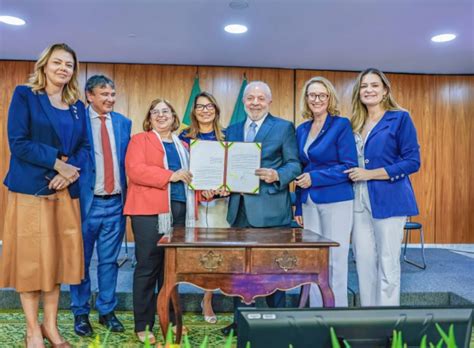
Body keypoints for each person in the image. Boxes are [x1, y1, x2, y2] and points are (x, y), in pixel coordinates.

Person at [0, 43, 89, 348]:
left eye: (69, 65)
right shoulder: (25, 95)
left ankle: (50, 326)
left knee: (57, 263)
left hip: (65, 193)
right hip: (30, 192)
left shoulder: (77, 106)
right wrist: (58, 165)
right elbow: (19, 142)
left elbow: (85, 149)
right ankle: (31, 331)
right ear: (44, 65)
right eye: (58, 62)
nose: (63, 68)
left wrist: (69, 174)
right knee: (31, 264)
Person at [222, 81, 301, 336]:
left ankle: (275, 324)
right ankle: (240, 322)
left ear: (269, 101)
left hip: (271, 210)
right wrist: (222, 184)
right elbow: (226, 167)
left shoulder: (283, 127)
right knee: (239, 270)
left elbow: (294, 165)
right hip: (239, 209)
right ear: (244, 101)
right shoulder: (232, 130)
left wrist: (276, 174)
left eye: (260, 98)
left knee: (273, 268)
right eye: (250, 98)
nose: (255, 102)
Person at [123, 98, 197, 344]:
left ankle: (173, 319)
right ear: (150, 117)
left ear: (174, 117)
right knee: (148, 266)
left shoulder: (184, 146)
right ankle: (143, 324)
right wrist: (170, 175)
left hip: (179, 212)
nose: (161, 115)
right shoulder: (139, 140)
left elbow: (191, 177)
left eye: (166, 111)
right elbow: (135, 170)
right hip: (148, 212)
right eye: (155, 112)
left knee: (172, 269)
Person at [344, 68, 420, 306]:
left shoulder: (400, 118)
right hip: (357, 200)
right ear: (359, 92)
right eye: (364, 86)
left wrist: (370, 174)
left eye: (374, 85)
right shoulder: (354, 123)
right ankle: (369, 317)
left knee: (388, 262)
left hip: (390, 199)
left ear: (385, 90)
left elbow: (412, 162)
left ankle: (388, 320)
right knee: (364, 262)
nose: (369, 90)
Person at [70, 75, 132, 336]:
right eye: (104, 94)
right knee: (80, 262)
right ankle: (81, 313)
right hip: (86, 204)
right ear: (89, 96)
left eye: (112, 94)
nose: (110, 99)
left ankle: (107, 311)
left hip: (115, 204)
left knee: (109, 262)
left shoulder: (123, 123)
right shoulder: (75, 120)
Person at [294, 76, 358, 308]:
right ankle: (315, 312)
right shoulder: (301, 129)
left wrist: (315, 178)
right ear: (306, 99)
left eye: (322, 95)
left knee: (335, 260)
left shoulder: (341, 125)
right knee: (313, 259)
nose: (317, 99)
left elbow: (348, 166)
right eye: (312, 95)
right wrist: (299, 205)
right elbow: (301, 169)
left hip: (336, 199)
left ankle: (336, 312)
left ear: (329, 98)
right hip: (309, 201)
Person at [179, 91, 228, 324]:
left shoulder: (227, 137)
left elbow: (233, 171)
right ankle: (179, 299)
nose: (205, 110)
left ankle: (207, 298)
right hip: (192, 203)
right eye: (200, 106)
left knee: (216, 252)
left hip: (220, 204)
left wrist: (224, 188)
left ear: (216, 110)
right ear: (194, 111)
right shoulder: (183, 138)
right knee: (193, 252)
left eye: (209, 106)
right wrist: (199, 190)